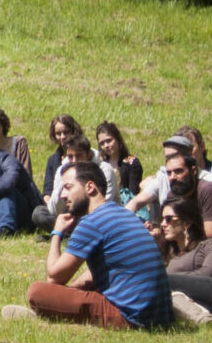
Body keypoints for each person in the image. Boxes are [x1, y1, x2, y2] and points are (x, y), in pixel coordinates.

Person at [9, 162, 173, 329]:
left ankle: (47, 313)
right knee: (78, 288)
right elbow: (95, 274)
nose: (63, 195)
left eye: (68, 187)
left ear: (90, 187)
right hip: (161, 316)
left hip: (133, 318)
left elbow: (54, 277)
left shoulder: (92, 222)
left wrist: (57, 233)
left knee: (37, 292)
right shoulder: (124, 213)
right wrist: (69, 292)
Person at [157, 196, 212, 322]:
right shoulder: (169, 253)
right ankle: (207, 319)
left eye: (169, 219)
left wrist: (169, 278)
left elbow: (207, 274)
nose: (163, 224)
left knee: (159, 280)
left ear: (187, 222)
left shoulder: (211, 245)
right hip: (181, 295)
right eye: (162, 219)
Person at [34, 135, 116, 229]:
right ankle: (69, 231)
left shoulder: (105, 170)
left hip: (98, 218)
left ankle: (67, 232)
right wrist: (65, 177)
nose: (74, 161)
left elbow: (104, 204)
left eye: (79, 156)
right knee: (39, 213)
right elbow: (54, 210)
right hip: (72, 216)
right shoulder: (63, 169)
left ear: (89, 155)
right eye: (70, 157)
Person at [94, 122, 142, 206]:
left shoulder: (132, 162)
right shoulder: (99, 164)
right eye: (102, 143)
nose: (106, 145)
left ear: (118, 139)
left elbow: (133, 193)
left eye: (109, 141)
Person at [174, 125, 212, 193]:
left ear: (202, 146)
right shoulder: (172, 174)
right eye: (181, 150)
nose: (186, 153)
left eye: (191, 148)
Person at [40, 114, 84, 191]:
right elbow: (48, 189)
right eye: (58, 134)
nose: (62, 137)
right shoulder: (52, 160)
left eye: (66, 132)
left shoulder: (84, 154)